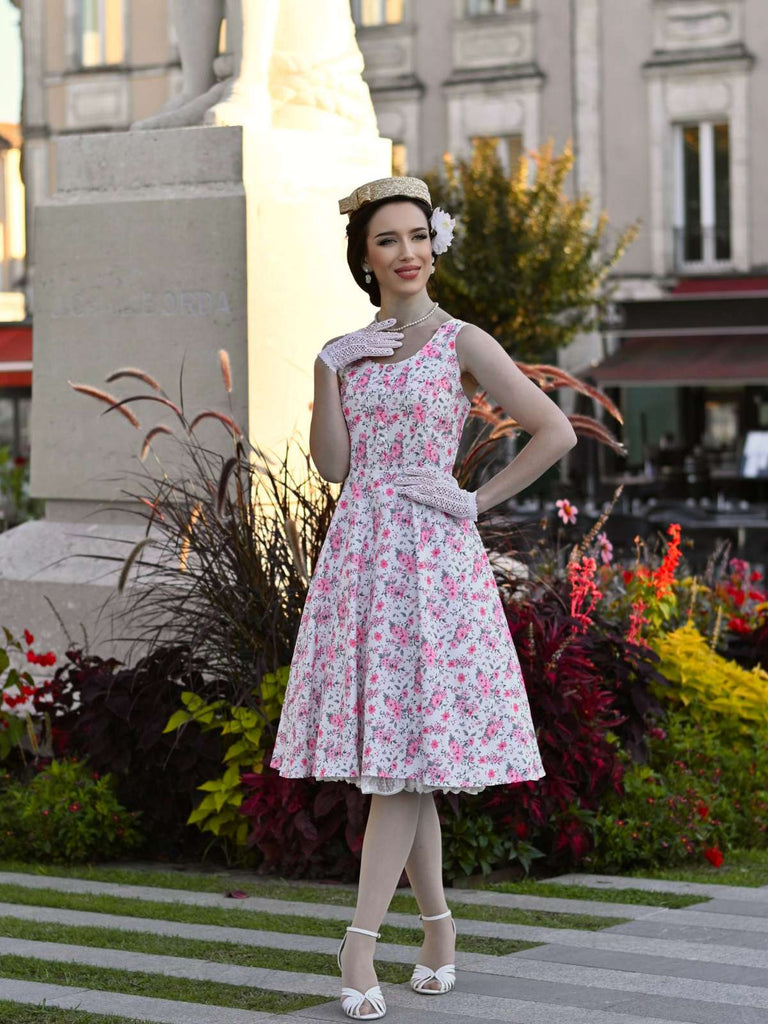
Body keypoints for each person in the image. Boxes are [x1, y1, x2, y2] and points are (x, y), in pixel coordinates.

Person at [269, 175, 577, 1020]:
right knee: (405, 763)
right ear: (364, 260)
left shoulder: (461, 340)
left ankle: (358, 943)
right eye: (387, 242)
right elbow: (333, 467)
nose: (407, 254)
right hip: (361, 556)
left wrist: (474, 499)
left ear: (434, 245)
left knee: (402, 769)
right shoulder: (348, 349)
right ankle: (438, 929)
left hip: (433, 560)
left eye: (416, 237)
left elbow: (554, 430)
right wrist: (330, 372)